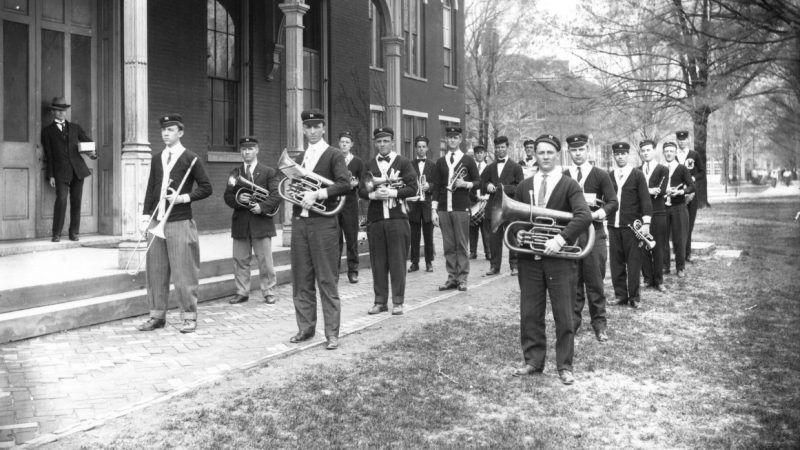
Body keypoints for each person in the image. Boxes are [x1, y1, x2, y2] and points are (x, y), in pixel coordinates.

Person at [511, 134, 592, 385]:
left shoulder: (569, 185)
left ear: (557, 155)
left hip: (560, 259)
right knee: (530, 312)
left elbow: (583, 216)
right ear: (534, 155)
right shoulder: (525, 185)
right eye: (540, 152)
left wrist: (560, 240)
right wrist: (519, 232)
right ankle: (533, 361)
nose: (545, 157)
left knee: (564, 314)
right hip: (530, 259)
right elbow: (515, 221)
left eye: (549, 153)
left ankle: (564, 365)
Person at [137, 114, 212, 333]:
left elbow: (207, 187)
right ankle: (157, 316)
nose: (165, 134)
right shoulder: (157, 157)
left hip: (180, 221)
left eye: (170, 130)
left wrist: (183, 197)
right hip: (157, 221)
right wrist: (145, 218)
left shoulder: (191, 158)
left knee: (184, 272)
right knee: (155, 271)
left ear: (180, 132)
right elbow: (151, 188)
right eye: (163, 130)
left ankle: (189, 317)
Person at [288, 110, 350, 350]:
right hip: (300, 223)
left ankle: (332, 333)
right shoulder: (301, 157)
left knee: (326, 279)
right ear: (303, 129)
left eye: (316, 126)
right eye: (308, 127)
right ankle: (305, 328)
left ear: (323, 128)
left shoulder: (334, 154)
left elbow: (344, 184)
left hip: (323, 224)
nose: (312, 131)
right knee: (301, 279)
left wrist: (318, 193)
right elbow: (294, 185)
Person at [563, 134, 618, 340]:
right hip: (572, 236)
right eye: (573, 150)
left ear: (588, 150)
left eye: (581, 150)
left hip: (595, 234)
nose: (577, 154)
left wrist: (597, 213)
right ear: (569, 152)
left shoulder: (600, 175)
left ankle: (599, 324)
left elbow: (613, 202)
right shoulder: (564, 175)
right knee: (573, 281)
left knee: (595, 281)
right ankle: (573, 322)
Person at [359, 127, 417, 315]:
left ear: (392, 142)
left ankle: (398, 301)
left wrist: (392, 192)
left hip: (397, 219)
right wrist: (374, 195)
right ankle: (380, 301)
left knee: (398, 261)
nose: (382, 144)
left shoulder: (403, 162)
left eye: (385, 141)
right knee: (378, 262)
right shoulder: (369, 164)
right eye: (379, 141)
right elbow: (361, 190)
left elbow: (413, 188)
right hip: (376, 219)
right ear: (375, 143)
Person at [223, 136, 282, 305]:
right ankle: (242, 292)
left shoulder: (269, 172)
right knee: (240, 260)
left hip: (261, 222)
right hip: (241, 221)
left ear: (257, 150)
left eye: (250, 149)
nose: (246, 152)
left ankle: (269, 291)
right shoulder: (236, 173)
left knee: (265, 261)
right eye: (243, 149)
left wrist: (261, 207)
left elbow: (276, 195)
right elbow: (227, 197)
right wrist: (238, 197)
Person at [430, 126, 479, 292]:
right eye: (449, 137)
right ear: (446, 139)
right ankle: (452, 277)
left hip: (460, 207)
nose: (452, 140)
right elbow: (436, 187)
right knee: (448, 245)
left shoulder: (468, 160)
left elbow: (479, 181)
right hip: (444, 208)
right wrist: (433, 210)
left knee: (462, 244)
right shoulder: (440, 161)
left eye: (455, 137)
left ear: (460, 139)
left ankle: (463, 278)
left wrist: (466, 184)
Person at [41, 96, 96, 242]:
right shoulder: (47, 132)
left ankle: (74, 233)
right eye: (58, 110)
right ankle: (56, 233)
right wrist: (51, 175)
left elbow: (87, 141)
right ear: (53, 112)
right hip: (60, 172)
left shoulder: (75, 128)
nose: (61, 113)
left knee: (76, 201)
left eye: (63, 110)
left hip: (78, 170)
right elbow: (49, 155)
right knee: (61, 200)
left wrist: (92, 153)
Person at [608, 142, 652, 309]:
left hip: (632, 228)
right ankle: (621, 296)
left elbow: (645, 200)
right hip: (613, 226)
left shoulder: (637, 175)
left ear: (628, 155)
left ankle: (634, 297)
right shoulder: (609, 176)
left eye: (623, 153)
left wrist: (646, 222)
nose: (620, 156)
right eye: (617, 154)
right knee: (616, 263)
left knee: (633, 262)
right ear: (614, 156)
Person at [482, 135, 524, 276]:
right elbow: (482, 183)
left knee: (512, 236)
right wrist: (487, 186)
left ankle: (515, 265)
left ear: (507, 147)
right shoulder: (490, 167)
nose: (500, 150)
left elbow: (519, 187)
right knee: (494, 239)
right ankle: (494, 266)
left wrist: (502, 188)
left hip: (510, 209)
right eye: (497, 147)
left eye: (502, 147)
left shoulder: (516, 167)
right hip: (494, 208)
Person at [638, 139, 669, 293]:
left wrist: (644, 191)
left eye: (648, 150)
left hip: (658, 213)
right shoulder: (637, 170)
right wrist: (650, 190)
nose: (645, 153)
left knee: (658, 247)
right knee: (643, 246)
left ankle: (659, 280)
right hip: (641, 214)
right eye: (643, 151)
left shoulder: (663, 169)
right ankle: (647, 278)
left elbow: (661, 191)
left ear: (654, 150)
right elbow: (636, 193)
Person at [662, 141, 695, 278]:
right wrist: (664, 191)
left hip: (679, 207)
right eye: (666, 151)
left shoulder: (681, 168)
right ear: (663, 153)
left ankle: (680, 267)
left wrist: (681, 192)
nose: (669, 153)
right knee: (663, 238)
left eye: (671, 151)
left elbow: (692, 186)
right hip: (663, 208)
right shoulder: (660, 168)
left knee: (679, 238)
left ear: (675, 153)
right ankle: (665, 267)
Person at [407, 135, 436, 273]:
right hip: (414, 204)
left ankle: (429, 262)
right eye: (418, 147)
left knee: (428, 235)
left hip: (427, 204)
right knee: (414, 236)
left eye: (423, 147)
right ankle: (414, 262)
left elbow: (438, 184)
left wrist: (429, 186)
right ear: (415, 148)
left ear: (427, 148)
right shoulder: (409, 164)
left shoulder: (433, 165)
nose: (421, 149)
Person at [338, 131, 364, 284]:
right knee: (335, 240)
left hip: (350, 203)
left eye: (347, 142)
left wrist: (357, 184)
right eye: (342, 142)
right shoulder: (334, 159)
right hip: (335, 203)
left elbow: (364, 182)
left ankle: (353, 271)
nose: (344, 145)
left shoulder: (358, 162)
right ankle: (334, 271)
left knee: (351, 238)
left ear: (351, 144)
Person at [675, 131, 705, 263]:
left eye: (683, 139)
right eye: (679, 139)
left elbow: (702, 172)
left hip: (691, 194)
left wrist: (693, 178)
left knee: (689, 224)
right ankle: (678, 254)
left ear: (688, 140)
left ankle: (687, 253)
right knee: (677, 225)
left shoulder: (694, 154)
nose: (681, 142)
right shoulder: (673, 155)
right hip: (677, 194)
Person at [469, 145, 491, 260]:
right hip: (473, 201)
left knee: (486, 228)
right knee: (472, 227)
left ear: (485, 154)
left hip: (485, 201)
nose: (479, 155)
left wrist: (486, 196)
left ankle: (488, 252)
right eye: (477, 153)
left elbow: (491, 183)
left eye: (481, 153)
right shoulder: (471, 168)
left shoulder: (489, 168)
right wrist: (473, 197)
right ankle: (473, 251)